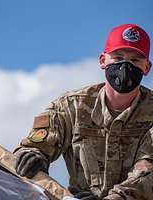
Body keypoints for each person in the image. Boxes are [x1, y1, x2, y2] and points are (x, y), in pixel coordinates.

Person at [13, 24, 153, 200]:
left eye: (134, 60)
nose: (125, 66)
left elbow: (147, 176)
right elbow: (31, 148)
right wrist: (33, 156)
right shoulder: (72, 106)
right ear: (103, 61)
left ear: (146, 67)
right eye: (117, 58)